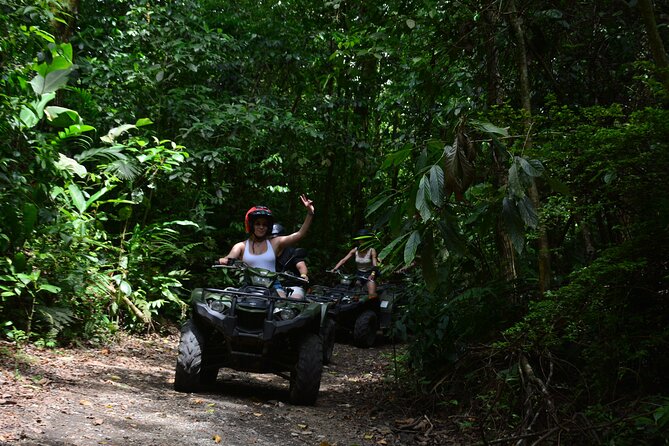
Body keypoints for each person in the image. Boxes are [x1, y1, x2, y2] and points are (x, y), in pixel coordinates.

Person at [218, 194, 315, 296]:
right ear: (251, 225)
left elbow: (299, 234)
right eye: (258, 223)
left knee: (283, 306)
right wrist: (225, 260)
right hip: (249, 286)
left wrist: (310, 213)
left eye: (264, 224)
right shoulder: (241, 246)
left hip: (273, 286)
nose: (261, 227)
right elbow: (230, 257)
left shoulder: (274, 242)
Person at [331, 229, 378, 298]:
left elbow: (375, 264)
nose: (361, 242)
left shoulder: (371, 250)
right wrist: (335, 268)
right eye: (360, 240)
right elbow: (344, 259)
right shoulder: (355, 250)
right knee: (355, 293)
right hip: (359, 274)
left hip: (370, 273)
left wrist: (373, 274)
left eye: (363, 240)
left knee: (372, 295)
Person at [271, 223, 309, 299]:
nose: (274, 241)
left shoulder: (292, 252)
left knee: (295, 300)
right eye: (271, 238)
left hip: (292, 285)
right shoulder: (265, 253)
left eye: (277, 238)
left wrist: (303, 275)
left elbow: (301, 266)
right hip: (272, 285)